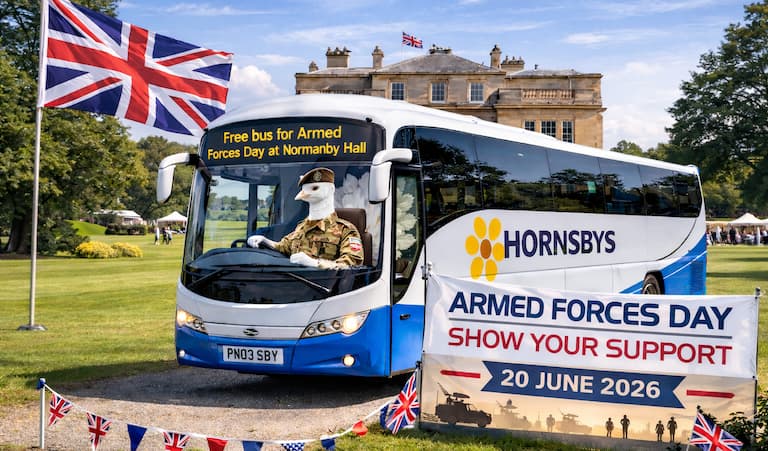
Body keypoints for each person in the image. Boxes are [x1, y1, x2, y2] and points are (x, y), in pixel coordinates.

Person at [247, 168, 363, 269]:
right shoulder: (301, 227)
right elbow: (284, 246)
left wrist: (315, 264)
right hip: (294, 286)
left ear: (331, 189)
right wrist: (265, 241)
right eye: (304, 189)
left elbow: (352, 264)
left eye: (315, 188)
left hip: (328, 288)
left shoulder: (346, 230)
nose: (304, 193)